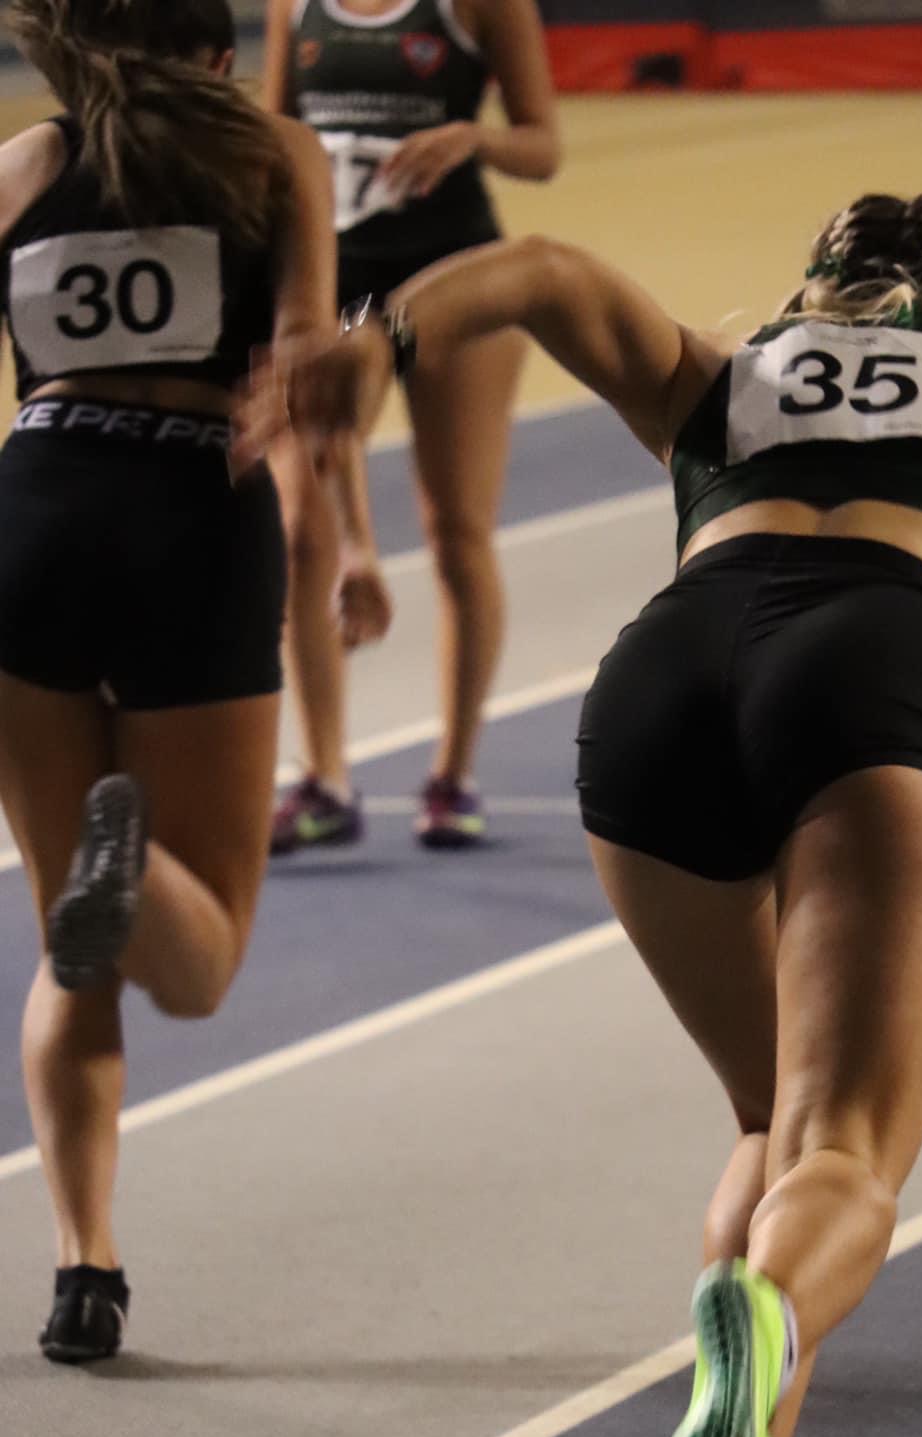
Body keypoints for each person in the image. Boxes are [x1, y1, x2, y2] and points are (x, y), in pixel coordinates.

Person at [239, 187, 922, 1437]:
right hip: (871, 664)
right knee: (844, 1150)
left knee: (767, 1119)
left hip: (657, 685)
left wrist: (383, 338)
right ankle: (766, 1313)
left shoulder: (721, 365)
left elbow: (544, 268)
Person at [0, 0, 343, 1363]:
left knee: (69, 952)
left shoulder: (27, 163)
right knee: (197, 970)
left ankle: (85, 1265)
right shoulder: (273, 151)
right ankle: (130, 863)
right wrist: (335, 536)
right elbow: (307, 362)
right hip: (193, 512)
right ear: (217, 55)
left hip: (31, 511)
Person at [260, 0, 560, 852]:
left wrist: (473, 139)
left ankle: (453, 774)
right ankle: (324, 777)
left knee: (456, 529)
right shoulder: (294, 4)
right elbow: (272, 137)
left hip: (454, 269)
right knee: (301, 532)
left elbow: (543, 147)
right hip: (325, 272)